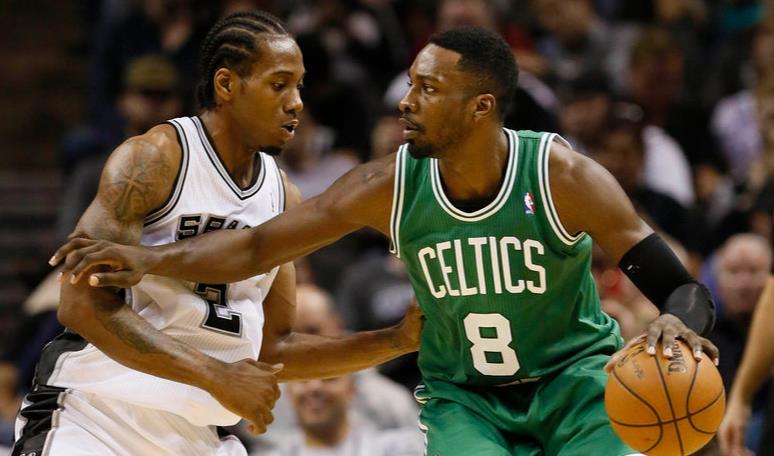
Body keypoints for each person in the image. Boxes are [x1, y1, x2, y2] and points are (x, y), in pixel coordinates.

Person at [54, 26, 719, 455]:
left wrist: (678, 320)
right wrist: (150, 258)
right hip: (469, 400)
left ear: (480, 107)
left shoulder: (562, 177)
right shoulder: (387, 185)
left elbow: (683, 288)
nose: (405, 101)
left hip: (574, 381)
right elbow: (256, 249)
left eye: (427, 89)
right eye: (409, 85)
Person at [14, 11, 421, 456]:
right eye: (279, 84)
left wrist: (395, 339)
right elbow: (80, 304)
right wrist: (214, 374)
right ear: (227, 85)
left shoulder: (282, 195)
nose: (297, 103)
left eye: (300, 86)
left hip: (198, 435)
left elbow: (274, 349)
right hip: (95, 417)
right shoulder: (155, 159)